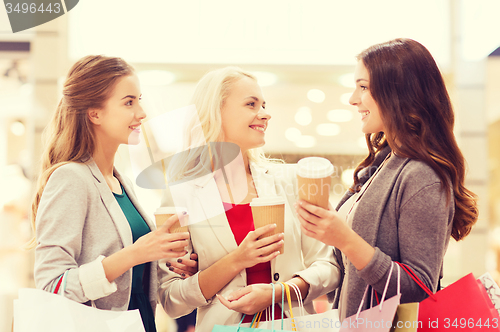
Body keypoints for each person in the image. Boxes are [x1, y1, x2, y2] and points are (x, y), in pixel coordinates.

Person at [295, 38, 478, 320]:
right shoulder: (384, 163)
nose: (353, 98)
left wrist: (346, 240)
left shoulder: (421, 174)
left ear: (399, 93)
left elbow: (419, 289)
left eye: (363, 87)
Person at [157, 67, 340, 332]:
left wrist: (280, 292)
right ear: (216, 112)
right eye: (251, 104)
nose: (265, 114)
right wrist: (237, 259)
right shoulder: (181, 194)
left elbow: (330, 264)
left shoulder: (290, 181)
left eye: (263, 105)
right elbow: (171, 299)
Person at [30, 55, 194, 332]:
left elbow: (136, 272)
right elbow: (51, 285)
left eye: (139, 100)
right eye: (129, 102)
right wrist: (134, 254)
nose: (141, 113)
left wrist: (170, 263)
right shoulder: (71, 178)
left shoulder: (121, 182)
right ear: (95, 113)